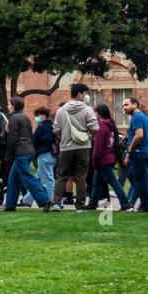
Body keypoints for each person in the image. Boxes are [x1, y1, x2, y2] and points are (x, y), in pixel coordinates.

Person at [50, 83, 97, 212]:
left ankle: (56, 203)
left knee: (61, 175)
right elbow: (94, 127)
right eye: (85, 93)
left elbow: (56, 129)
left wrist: (64, 137)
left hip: (66, 147)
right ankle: (80, 206)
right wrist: (89, 138)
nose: (86, 95)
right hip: (83, 147)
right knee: (81, 176)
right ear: (79, 94)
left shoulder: (61, 110)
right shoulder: (88, 110)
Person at [3, 97, 52, 211]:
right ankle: (10, 205)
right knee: (13, 179)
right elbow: (30, 135)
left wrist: (8, 153)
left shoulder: (14, 118)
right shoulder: (25, 117)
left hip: (21, 151)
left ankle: (45, 200)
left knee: (27, 177)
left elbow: (13, 138)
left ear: (14, 106)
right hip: (29, 150)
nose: (8, 106)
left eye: (10, 104)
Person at [88, 103, 130, 210]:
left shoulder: (101, 127)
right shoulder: (110, 125)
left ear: (99, 114)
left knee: (113, 183)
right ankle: (92, 204)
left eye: (95, 113)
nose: (94, 115)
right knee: (96, 183)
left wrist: (94, 158)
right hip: (108, 157)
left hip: (102, 159)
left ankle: (126, 204)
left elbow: (98, 145)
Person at [121, 97, 148, 212]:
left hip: (139, 151)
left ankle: (146, 205)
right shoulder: (143, 117)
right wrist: (128, 155)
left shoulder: (137, 117)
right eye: (123, 106)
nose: (124, 108)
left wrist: (130, 149)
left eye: (126, 105)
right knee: (133, 177)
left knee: (139, 179)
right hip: (144, 151)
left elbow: (139, 135)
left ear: (135, 104)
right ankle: (145, 202)